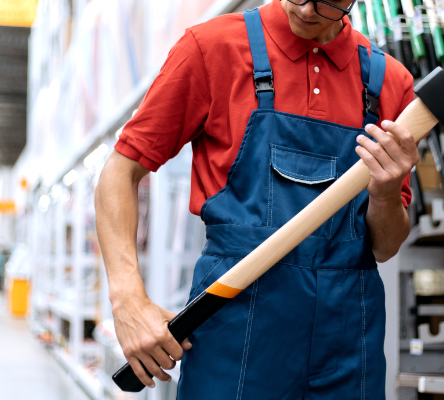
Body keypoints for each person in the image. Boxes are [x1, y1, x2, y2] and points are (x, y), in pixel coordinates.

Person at [95, 1, 419, 398]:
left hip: (348, 341)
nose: (307, 9)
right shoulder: (212, 48)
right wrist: (128, 298)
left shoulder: (391, 83)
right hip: (235, 326)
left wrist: (386, 193)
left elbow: (385, 246)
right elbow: (119, 171)